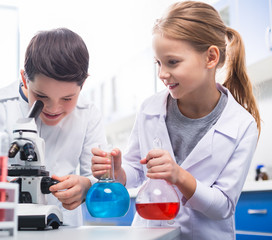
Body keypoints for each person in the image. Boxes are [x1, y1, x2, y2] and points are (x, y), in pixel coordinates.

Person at [91, 1, 260, 239]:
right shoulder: (150, 109)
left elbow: (223, 206)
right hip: (150, 233)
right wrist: (118, 172)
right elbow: (136, 170)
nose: (161, 74)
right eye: (158, 63)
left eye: (172, 62)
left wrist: (179, 176)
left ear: (210, 57)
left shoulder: (242, 125)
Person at [0, 28, 106, 226]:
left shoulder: (88, 113)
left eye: (67, 98)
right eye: (41, 97)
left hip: (65, 227)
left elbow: (98, 179)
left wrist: (85, 187)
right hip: (3, 225)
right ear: (25, 78)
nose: (53, 108)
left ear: (83, 84)